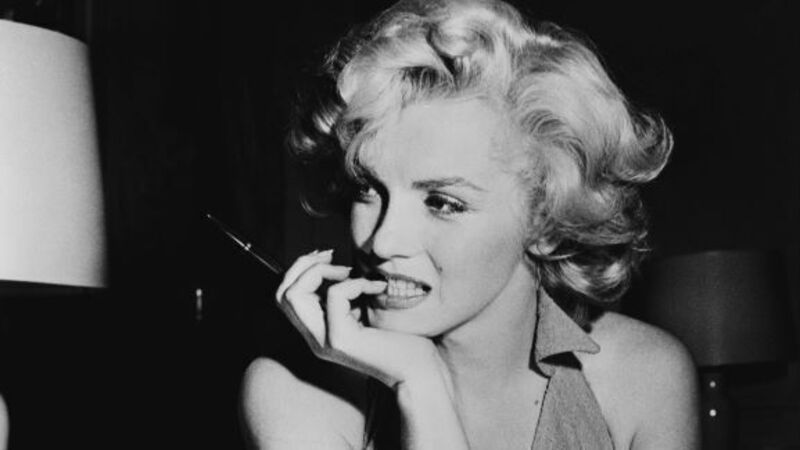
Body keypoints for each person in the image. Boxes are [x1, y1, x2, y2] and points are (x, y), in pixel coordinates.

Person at [241, 0, 699, 448]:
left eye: (442, 202)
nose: (382, 241)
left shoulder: (642, 377)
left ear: (545, 222)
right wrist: (421, 383)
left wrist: (422, 386)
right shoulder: (295, 393)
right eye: (368, 189)